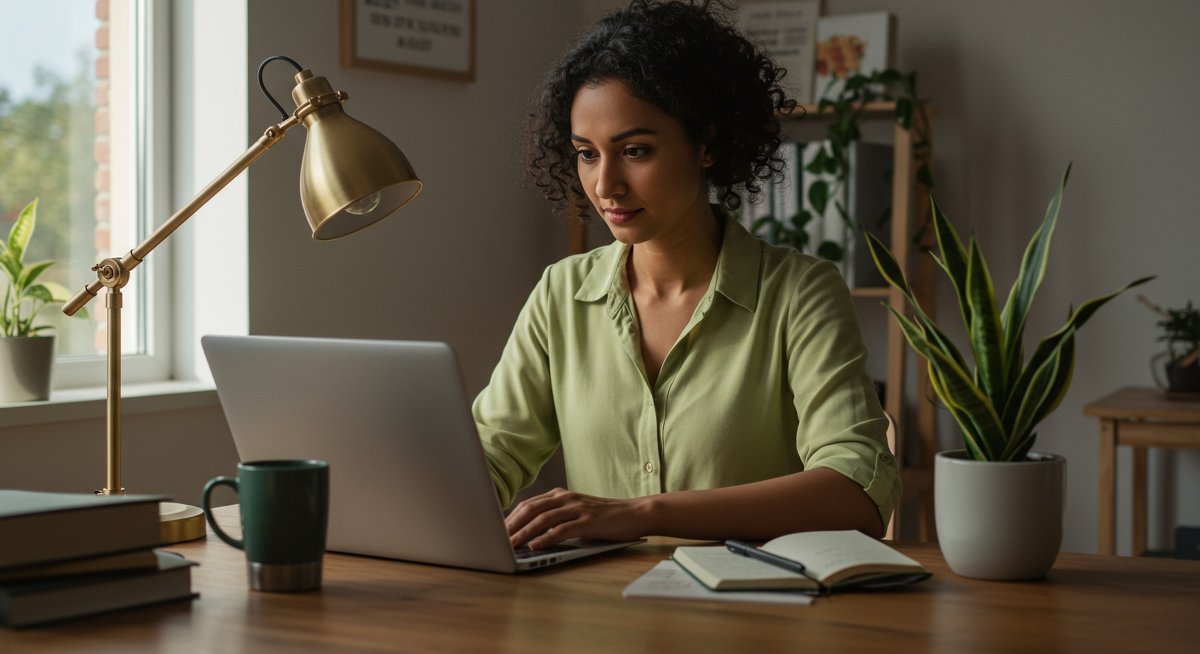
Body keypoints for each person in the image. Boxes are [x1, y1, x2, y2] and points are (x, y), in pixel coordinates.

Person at [473, 0, 900, 551]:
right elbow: (490, 455)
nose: (606, 185)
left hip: (750, 620)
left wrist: (642, 514)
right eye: (586, 154)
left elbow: (856, 495)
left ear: (706, 145)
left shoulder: (799, 293)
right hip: (596, 619)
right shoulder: (561, 294)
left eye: (635, 151)